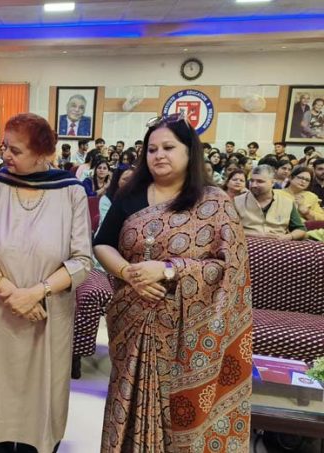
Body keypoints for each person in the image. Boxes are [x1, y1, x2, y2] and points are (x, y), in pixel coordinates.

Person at [93, 113, 252, 452]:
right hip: (133, 319)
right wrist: (129, 274)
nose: (158, 155)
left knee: (181, 411)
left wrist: (168, 269)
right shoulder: (130, 195)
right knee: (128, 396)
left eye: (168, 147)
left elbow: (228, 268)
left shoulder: (212, 201)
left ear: (189, 152)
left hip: (188, 331)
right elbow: (102, 242)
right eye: (151, 149)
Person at [0, 113, 92, 453]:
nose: (6, 155)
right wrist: (11, 293)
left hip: (47, 318)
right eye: (5, 147)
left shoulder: (71, 192)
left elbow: (82, 260)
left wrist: (36, 294)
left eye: (16, 150)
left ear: (42, 153)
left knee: (42, 405)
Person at [233, 164, 307, 241]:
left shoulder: (287, 202)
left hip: (278, 244)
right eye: (252, 181)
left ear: (272, 183)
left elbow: (300, 229)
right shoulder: (237, 201)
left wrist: (288, 236)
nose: (253, 185)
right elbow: (230, 229)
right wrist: (256, 235)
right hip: (248, 243)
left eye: (260, 181)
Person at [97, 165, 133, 232]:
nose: (129, 183)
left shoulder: (137, 198)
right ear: (117, 180)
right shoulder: (106, 200)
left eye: (132, 179)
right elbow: (109, 225)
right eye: (125, 179)